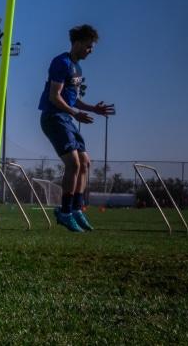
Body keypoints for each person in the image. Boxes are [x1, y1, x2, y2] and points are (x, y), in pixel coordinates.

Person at [38, 24, 115, 233]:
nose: (91, 51)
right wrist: (75, 113)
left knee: (85, 163)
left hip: (67, 118)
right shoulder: (61, 62)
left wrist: (93, 109)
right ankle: (65, 212)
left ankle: (76, 209)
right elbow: (54, 96)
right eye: (89, 47)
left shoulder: (77, 68)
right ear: (78, 44)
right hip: (54, 117)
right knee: (73, 163)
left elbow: (74, 99)